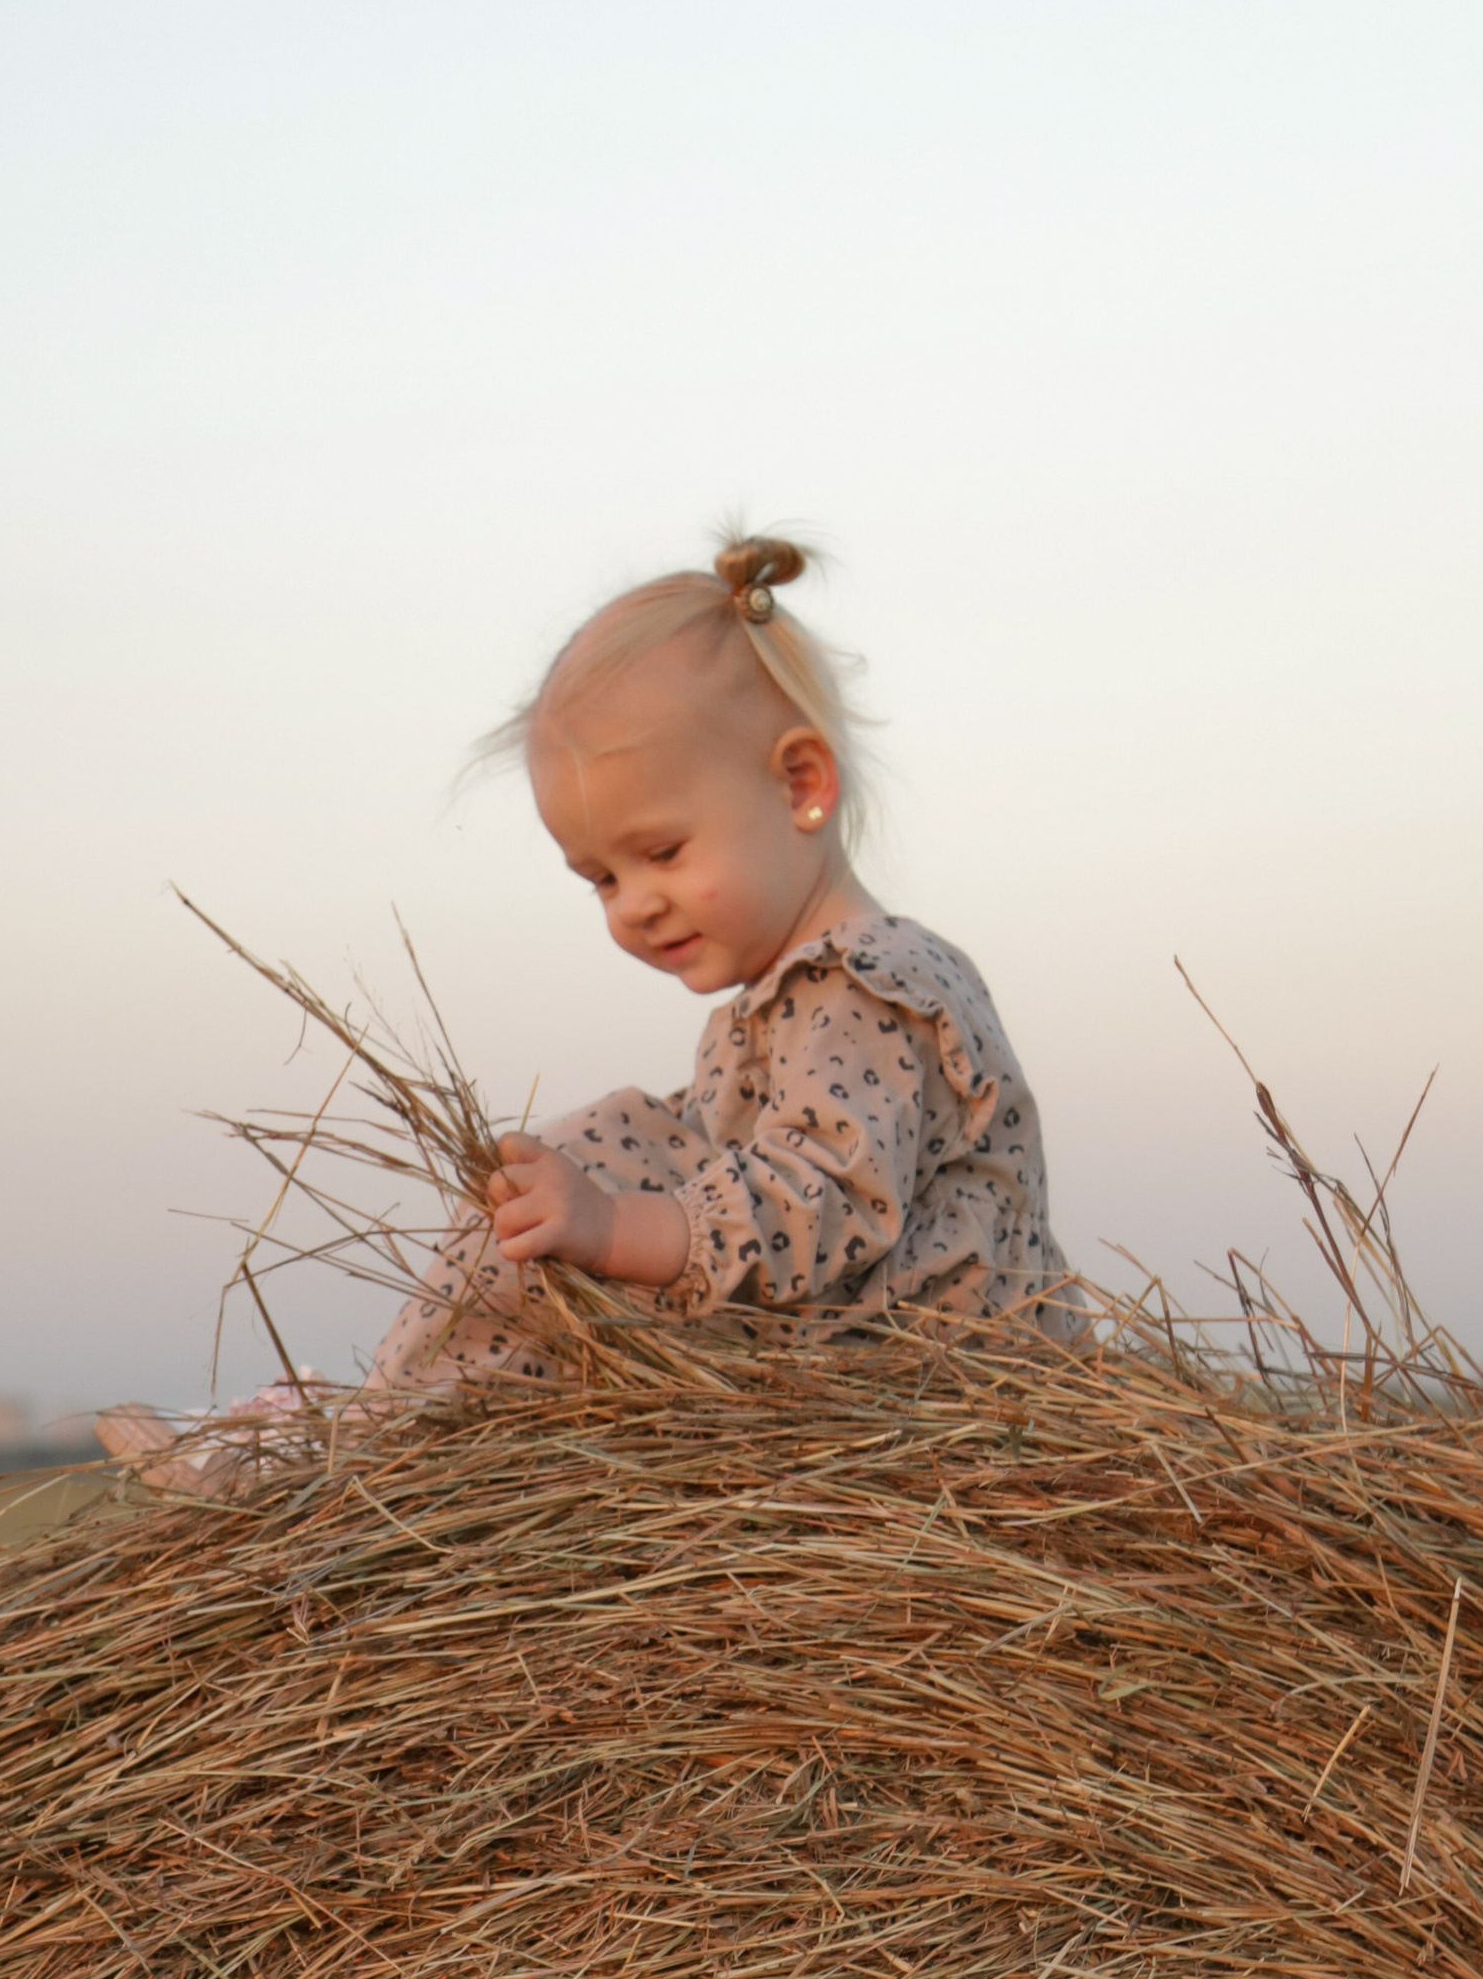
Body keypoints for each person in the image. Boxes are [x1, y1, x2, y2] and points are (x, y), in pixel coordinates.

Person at [364, 533, 1073, 1393]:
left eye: (662, 851)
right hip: (880, 1375)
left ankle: (390, 1443)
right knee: (580, 1159)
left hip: (931, 1386)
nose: (634, 903)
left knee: (586, 1175)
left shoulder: (862, 986)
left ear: (801, 785)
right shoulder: (819, 990)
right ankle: (396, 1435)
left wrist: (617, 1226)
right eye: (601, 879)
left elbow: (814, 1206)